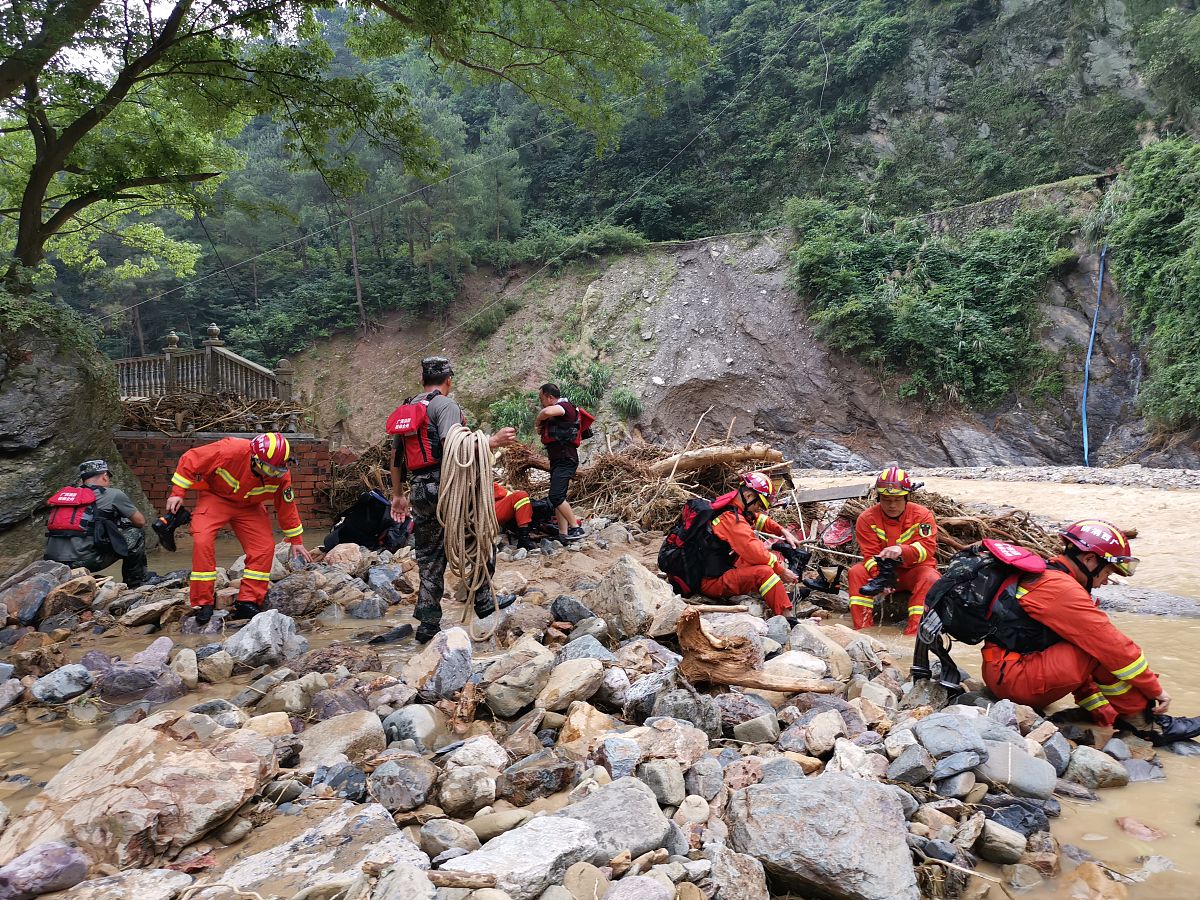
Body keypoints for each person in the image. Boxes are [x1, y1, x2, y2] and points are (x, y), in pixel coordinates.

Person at [979, 519, 1200, 745]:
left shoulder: (1050, 575)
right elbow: (1115, 648)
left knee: (1094, 646)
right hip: (1016, 680)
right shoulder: (1061, 589)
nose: (1106, 581)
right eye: (1108, 572)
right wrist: (1156, 691)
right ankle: (1146, 726)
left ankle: (1114, 714)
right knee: (1105, 649)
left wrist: (1102, 712)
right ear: (1089, 559)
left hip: (1008, 672)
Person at [389, 357, 518, 644]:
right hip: (447, 486)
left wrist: (397, 495)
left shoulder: (407, 409)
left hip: (420, 491)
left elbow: (396, 458)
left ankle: (427, 623)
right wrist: (492, 441)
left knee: (429, 556)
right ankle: (483, 598)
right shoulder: (444, 405)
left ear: (423, 380)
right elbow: (453, 446)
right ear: (449, 379)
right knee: (479, 535)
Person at [166, 432, 312, 623]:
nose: (272, 474)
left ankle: (248, 601)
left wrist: (296, 541)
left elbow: (287, 507)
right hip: (215, 498)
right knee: (202, 540)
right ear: (255, 458)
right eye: (268, 469)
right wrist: (178, 493)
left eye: (276, 470)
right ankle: (204, 602)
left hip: (249, 507)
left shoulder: (280, 474)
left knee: (264, 548)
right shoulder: (229, 450)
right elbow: (191, 459)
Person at [848, 466, 938, 634]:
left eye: (897, 499)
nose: (892, 505)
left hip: (914, 571)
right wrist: (881, 578)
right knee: (856, 573)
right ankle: (863, 632)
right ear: (878, 498)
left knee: (930, 577)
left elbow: (927, 548)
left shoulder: (923, 515)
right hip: (884, 571)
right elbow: (869, 555)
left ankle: (915, 635)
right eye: (886, 499)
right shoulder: (866, 519)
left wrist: (902, 550)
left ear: (906, 497)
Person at [697, 472, 802, 616]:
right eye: (759, 505)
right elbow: (756, 553)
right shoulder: (732, 520)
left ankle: (776, 595)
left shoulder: (728, 507)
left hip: (713, 567)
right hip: (711, 582)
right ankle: (788, 617)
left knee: (759, 563)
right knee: (764, 572)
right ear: (748, 496)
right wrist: (781, 571)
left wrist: (782, 531)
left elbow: (757, 519)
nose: (759, 509)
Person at [43, 459, 153, 587]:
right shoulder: (114, 494)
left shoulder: (67, 496)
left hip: (53, 562)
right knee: (137, 533)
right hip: (85, 561)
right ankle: (136, 582)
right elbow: (140, 522)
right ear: (105, 476)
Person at [534, 383, 583, 543]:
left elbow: (548, 411)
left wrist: (539, 419)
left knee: (555, 496)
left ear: (549, 397)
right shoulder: (558, 411)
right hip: (558, 460)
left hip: (565, 459)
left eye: (542, 398)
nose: (541, 402)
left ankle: (576, 527)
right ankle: (563, 534)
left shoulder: (565, 406)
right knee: (559, 496)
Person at [493, 482, 536, 552]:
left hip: (487, 512)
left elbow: (504, 494)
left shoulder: (483, 480)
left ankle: (523, 537)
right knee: (521, 496)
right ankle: (523, 537)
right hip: (479, 516)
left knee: (521, 496)